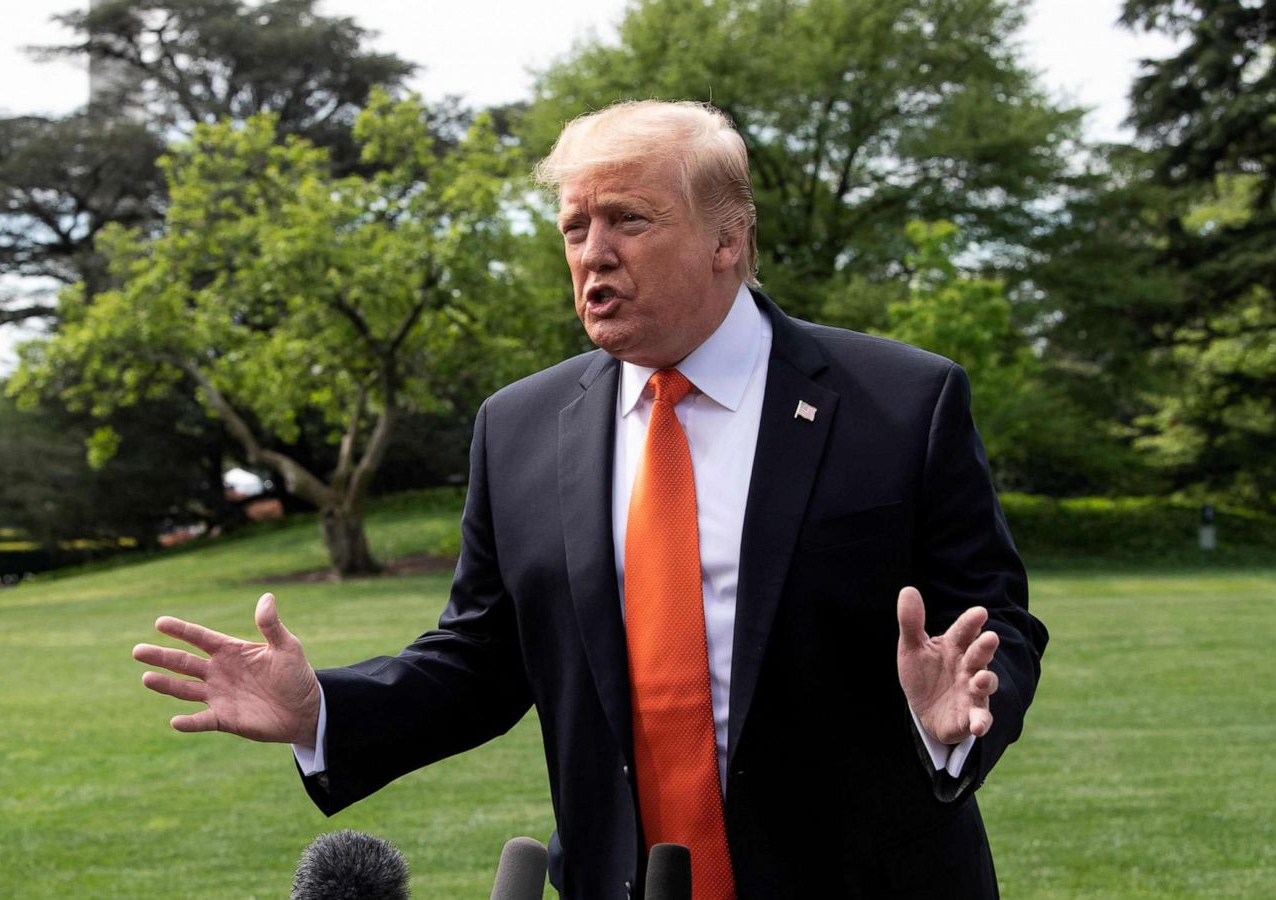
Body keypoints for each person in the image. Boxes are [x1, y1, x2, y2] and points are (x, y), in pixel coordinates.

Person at [133, 100, 1048, 898]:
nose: (593, 255)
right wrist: (324, 711)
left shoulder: (901, 402)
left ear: (729, 238)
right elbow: (486, 655)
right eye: (575, 228)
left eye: (629, 220)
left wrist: (962, 714)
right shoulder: (520, 425)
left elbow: (992, 618)